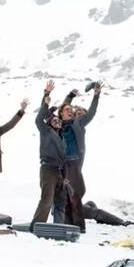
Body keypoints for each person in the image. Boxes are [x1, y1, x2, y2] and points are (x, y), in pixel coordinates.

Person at [53, 84, 102, 232]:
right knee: (66, 196)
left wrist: (96, 95)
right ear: (61, 114)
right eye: (67, 110)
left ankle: (79, 227)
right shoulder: (57, 125)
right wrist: (70, 96)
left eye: (72, 110)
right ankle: (69, 224)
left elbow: (91, 112)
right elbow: (63, 106)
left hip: (73, 163)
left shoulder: (78, 123)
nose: (70, 111)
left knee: (75, 194)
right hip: (61, 165)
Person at [30, 80, 68, 230]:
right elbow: (40, 118)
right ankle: (37, 226)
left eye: (59, 120)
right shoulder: (46, 131)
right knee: (47, 199)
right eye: (55, 120)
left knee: (60, 201)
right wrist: (46, 95)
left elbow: (65, 159)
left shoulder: (62, 137)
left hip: (59, 171)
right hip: (48, 169)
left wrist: (65, 177)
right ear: (50, 123)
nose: (58, 121)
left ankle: (58, 227)